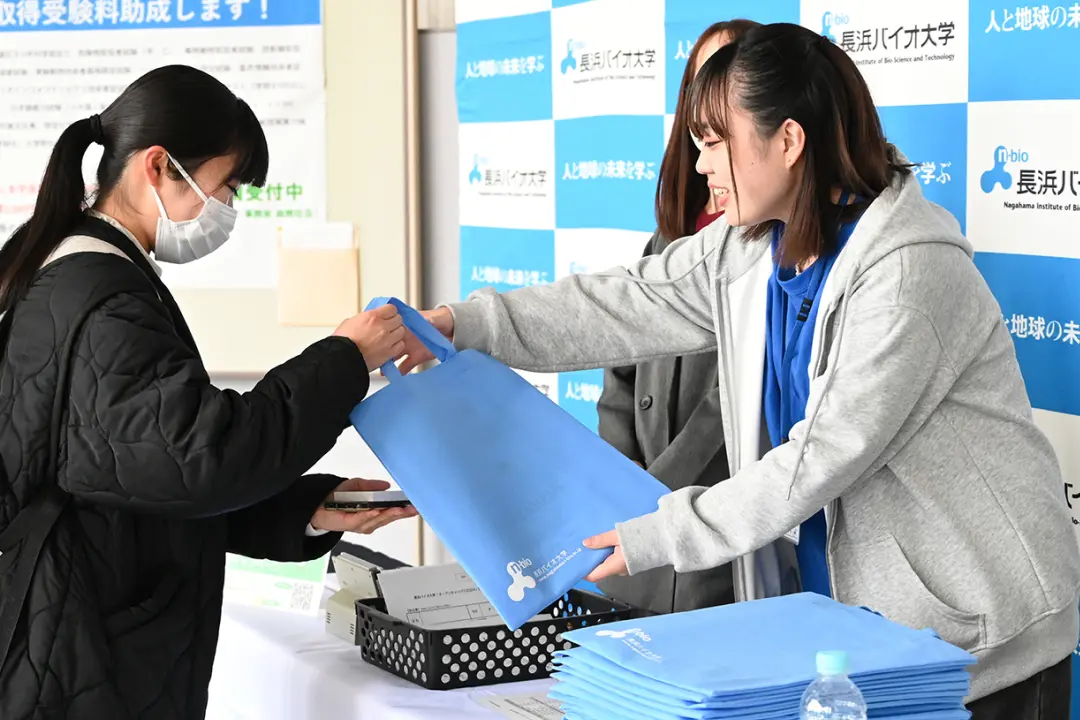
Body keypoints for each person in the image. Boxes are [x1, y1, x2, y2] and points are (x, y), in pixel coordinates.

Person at [400, 24, 1080, 718]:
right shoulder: (754, 246)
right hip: (862, 641)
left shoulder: (907, 274)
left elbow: (818, 459)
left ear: (788, 141)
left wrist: (654, 535)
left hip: (982, 645)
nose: (699, 165)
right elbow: (626, 300)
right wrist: (464, 325)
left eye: (713, 141)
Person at [0, 65, 417, 720]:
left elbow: (140, 472)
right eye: (225, 187)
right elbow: (201, 457)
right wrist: (345, 359)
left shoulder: (70, 268)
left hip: (78, 635)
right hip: (82, 655)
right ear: (158, 167)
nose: (228, 209)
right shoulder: (103, 300)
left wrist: (306, 511)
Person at [597, 17, 800, 616]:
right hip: (637, 524)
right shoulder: (668, 237)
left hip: (715, 522)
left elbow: (738, 397)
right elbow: (620, 361)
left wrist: (654, 491)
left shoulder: (779, 242)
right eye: (702, 84)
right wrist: (620, 476)